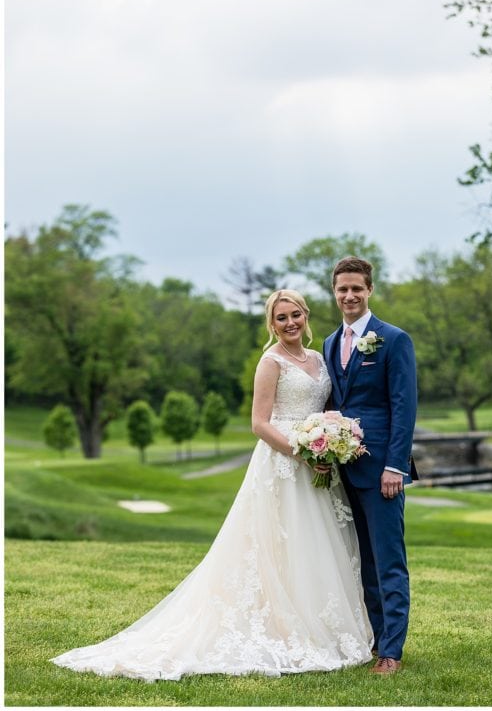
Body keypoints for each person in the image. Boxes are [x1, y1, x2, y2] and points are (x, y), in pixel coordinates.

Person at [52, 290, 373, 681]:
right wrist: (302, 452)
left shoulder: (320, 360)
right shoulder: (270, 362)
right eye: (281, 318)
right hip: (284, 461)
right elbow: (259, 423)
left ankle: (324, 626)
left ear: (306, 316)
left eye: (296, 315)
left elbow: (324, 409)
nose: (290, 323)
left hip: (318, 462)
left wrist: (328, 439)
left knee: (314, 544)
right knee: (279, 543)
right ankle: (283, 627)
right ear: (271, 324)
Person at [323, 257, 417, 676]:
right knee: (358, 561)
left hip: (382, 471)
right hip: (340, 470)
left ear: (370, 290)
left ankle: (391, 651)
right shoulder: (328, 343)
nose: (349, 296)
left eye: (356, 288)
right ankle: (372, 637)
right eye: (342, 289)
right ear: (335, 292)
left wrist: (395, 466)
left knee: (387, 560)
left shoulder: (393, 340)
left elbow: (404, 406)